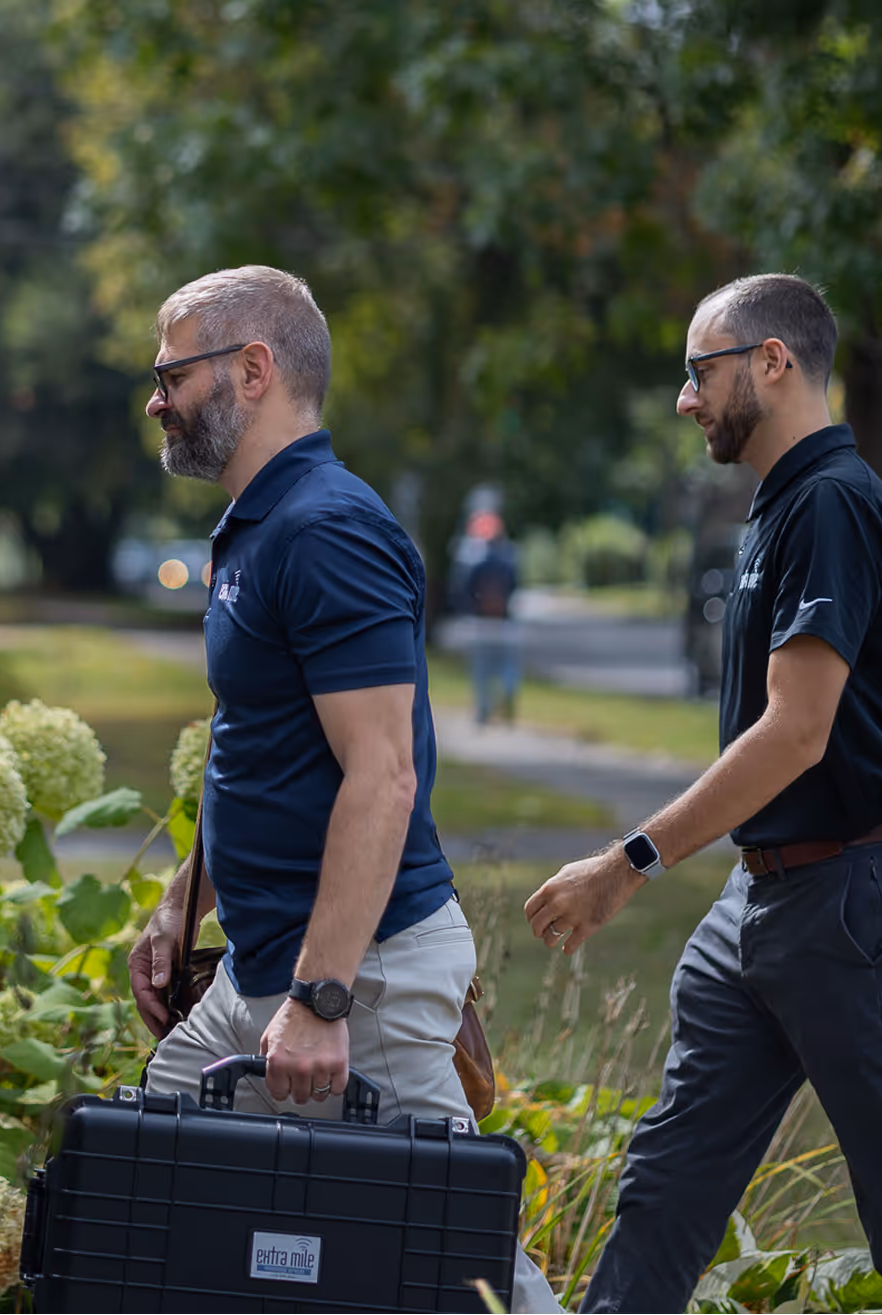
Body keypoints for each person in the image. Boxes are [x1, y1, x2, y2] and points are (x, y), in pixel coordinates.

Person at [128, 265, 562, 1314]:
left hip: (359, 978)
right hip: (266, 968)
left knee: (461, 1258)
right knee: (158, 1163)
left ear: (251, 368)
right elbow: (259, 746)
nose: (154, 399)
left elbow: (383, 774)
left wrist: (321, 1001)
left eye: (169, 373)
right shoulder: (256, 525)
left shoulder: (325, 528)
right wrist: (184, 899)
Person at [524, 274, 882, 1315]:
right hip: (757, 906)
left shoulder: (835, 503)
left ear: (773, 361)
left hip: (850, 901)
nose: (683, 399)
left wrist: (628, 861)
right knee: (663, 1192)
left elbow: (796, 732)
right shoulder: (777, 505)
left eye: (697, 370)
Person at [463, 514, 521, 725]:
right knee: (507, 666)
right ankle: (507, 690)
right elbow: (514, 588)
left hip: (481, 625)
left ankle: (483, 710)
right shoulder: (509, 564)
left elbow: (466, 593)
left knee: (481, 671)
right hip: (504, 624)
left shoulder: (476, 565)